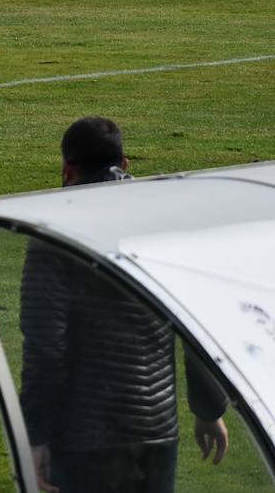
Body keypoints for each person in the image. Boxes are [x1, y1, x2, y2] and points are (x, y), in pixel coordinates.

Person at [19, 116, 229, 493]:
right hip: (158, 427)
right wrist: (208, 408)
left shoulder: (53, 234)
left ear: (66, 169)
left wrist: (34, 437)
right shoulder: (162, 220)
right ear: (125, 164)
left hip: (85, 436)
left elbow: (45, 347)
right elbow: (194, 317)